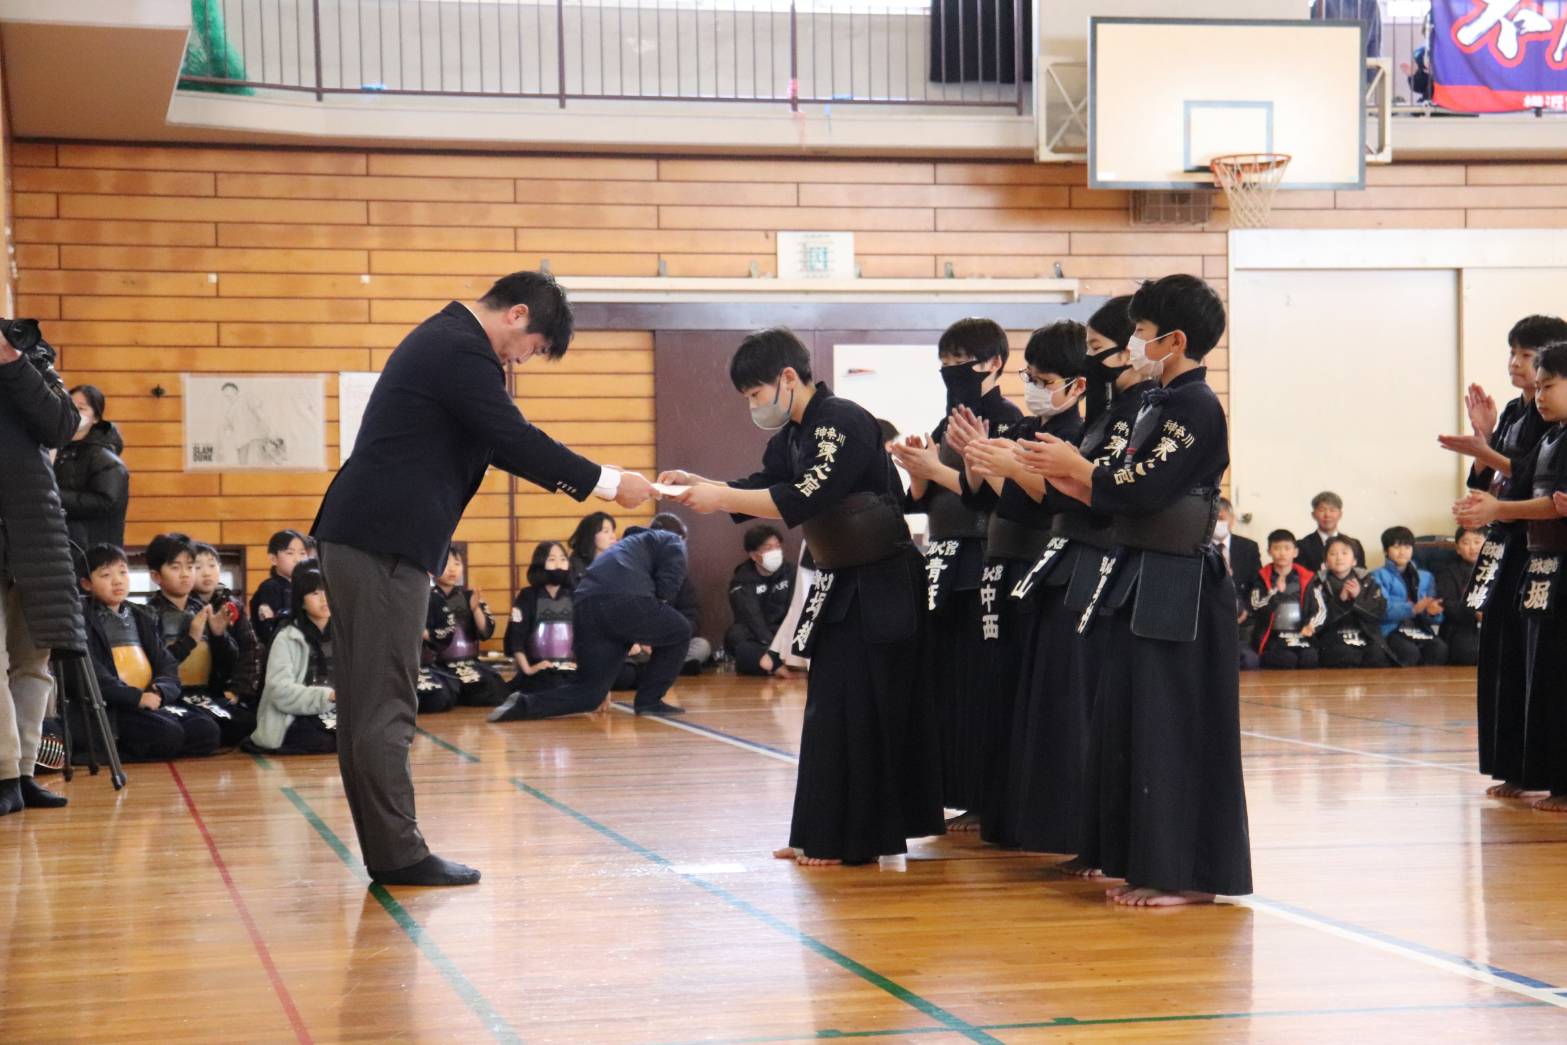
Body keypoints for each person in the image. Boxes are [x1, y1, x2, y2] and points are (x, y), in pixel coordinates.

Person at [311, 270, 652, 887]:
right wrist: (608, 483)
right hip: (382, 541)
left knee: (368, 704)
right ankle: (398, 854)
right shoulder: (460, 348)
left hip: (366, 535)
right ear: (517, 315)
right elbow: (513, 436)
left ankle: (388, 850)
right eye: (534, 348)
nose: (524, 360)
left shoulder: (446, 342)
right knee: (384, 703)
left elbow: (498, 445)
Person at [662, 327, 946, 867]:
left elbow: (804, 495)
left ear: (788, 377)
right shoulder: (792, 436)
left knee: (866, 707)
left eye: (756, 393)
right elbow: (762, 483)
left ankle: (855, 839)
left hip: (882, 581)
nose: (753, 405)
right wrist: (701, 484)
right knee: (827, 709)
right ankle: (819, 830)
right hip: (842, 581)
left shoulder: (843, 421)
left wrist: (719, 495)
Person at [1016, 274, 1252, 907]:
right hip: (1137, 572)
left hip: (1180, 583)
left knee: (1171, 728)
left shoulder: (1196, 406)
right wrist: (1060, 474)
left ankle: (1188, 875)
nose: (1133, 345)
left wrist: (1078, 469)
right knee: (1131, 724)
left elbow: (1144, 488)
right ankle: (1140, 860)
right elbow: (1112, 490)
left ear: (1175, 341)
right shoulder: (1155, 402)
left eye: (1142, 333)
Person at [1001, 295, 1150, 861]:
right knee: (1058, 698)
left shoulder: (1143, 413)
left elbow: (1104, 497)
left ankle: (1088, 837)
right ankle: (1065, 831)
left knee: (1080, 699)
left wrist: (1035, 468)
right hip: (1067, 559)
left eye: (1096, 348)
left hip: (1104, 561)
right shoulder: (1107, 415)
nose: (1090, 360)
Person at [949, 319, 1087, 844]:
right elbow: (985, 498)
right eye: (1028, 376)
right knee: (1003, 690)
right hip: (1007, 568)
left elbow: (1053, 502)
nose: (1032, 388)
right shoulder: (1025, 429)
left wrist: (1002, 464)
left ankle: (1045, 816)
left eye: (1043, 380)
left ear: (1076, 385)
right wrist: (978, 457)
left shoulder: (1077, 435)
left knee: (1044, 697)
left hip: (1047, 569)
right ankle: (1001, 808)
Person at [887, 316, 1022, 829]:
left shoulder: (1007, 420)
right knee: (947, 682)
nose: (951, 371)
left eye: (961, 362)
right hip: (944, 562)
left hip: (984, 559)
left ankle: (988, 796)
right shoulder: (947, 423)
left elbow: (992, 496)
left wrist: (936, 470)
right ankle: (957, 790)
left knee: (982, 680)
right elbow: (928, 501)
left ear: (993, 364)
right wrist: (917, 471)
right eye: (944, 363)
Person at [1439, 315, 1566, 799]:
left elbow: (1528, 481)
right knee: (1503, 656)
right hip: (1510, 540)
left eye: (1527, 356)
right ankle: (1512, 765)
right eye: (1512, 353)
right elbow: (1493, 479)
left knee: (1535, 660)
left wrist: (1486, 449)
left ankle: (1543, 772)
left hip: (1533, 545)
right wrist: (1485, 439)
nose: (1516, 364)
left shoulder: (1550, 422)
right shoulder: (1518, 411)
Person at [0, 325, 85, 813]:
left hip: (36, 535)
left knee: (34, 661)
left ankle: (25, 772)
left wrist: (14, 362)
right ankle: (4, 773)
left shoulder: (30, 356)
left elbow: (61, 424)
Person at [490, 516, 690, 721]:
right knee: (681, 631)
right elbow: (666, 590)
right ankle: (650, 701)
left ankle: (524, 705)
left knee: (590, 693)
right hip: (625, 599)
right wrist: (646, 627)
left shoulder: (626, 545)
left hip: (585, 605)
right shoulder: (673, 541)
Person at [80, 544, 219, 761]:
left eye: (123, 572)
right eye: (106, 575)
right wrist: (135, 698)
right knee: (168, 733)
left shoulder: (140, 615)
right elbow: (90, 674)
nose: (117, 581)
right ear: (87, 584)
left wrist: (160, 690)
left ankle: (162, 744)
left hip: (149, 699)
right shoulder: (81, 620)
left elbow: (167, 664)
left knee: (207, 730)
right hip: (113, 707)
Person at [143, 532, 255, 746]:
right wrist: (191, 639)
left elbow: (228, 664)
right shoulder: (148, 614)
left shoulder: (202, 608)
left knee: (247, 722)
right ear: (156, 576)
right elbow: (155, 667)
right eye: (175, 567)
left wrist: (219, 635)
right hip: (172, 696)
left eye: (190, 567)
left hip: (203, 694)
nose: (185, 574)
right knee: (205, 730)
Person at [247, 564, 337, 756]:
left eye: (327, 591)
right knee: (323, 738)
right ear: (301, 602)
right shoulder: (287, 637)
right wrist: (328, 696)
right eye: (315, 593)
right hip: (294, 715)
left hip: (337, 711)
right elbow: (280, 691)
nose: (324, 598)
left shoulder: (344, 636)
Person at [425, 548, 507, 707]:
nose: (452, 569)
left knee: (496, 689)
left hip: (468, 662)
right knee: (443, 694)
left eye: (457, 564)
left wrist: (475, 609)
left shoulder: (469, 596)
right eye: (446, 564)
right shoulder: (428, 599)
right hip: (439, 664)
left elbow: (485, 632)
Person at [53, 383, 129, 552]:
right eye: (70, 406)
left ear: (96, 418)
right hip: (59, 542)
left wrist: (54, 496)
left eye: (81, 408)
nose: (74, 412)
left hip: (92, 548)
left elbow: (106, 502)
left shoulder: (104, 458)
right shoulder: (53, 448)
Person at [191, 542, 264, 707]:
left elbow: (250, 648)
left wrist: (238, 690)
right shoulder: (184, 606)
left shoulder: (232, 605)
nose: (206, 572)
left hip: (228, 688)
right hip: (193, 689)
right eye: (198, 567)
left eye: (212, 565)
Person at [504, 541, 579, 692]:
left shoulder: (575, 595)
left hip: (570, 667)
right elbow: (516, 636)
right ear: (540, 563)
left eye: (563, 559)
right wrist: (528, 669)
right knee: (552, 686)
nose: (558, 564)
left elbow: (587, 635)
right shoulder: (527, 596)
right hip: (539, 669)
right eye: (552, 559)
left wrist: (580, 663)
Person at [725, 524, 797, 677]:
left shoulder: (790, 572)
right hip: (757, 636)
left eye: (777, 546)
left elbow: (794, 609)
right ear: (754, 555)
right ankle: (773, 663)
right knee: (736, 637)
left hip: (783, 631)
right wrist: (772, 648)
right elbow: (752, 618)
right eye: (768, 548)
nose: (775, 552)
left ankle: (772, 664)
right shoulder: (742, 581)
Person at [1371, 526, 1449, 667]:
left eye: (1407, 547)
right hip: (1391, 629)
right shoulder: (1378, 575)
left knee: (1439, 649)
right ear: (1385, 551)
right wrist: (1413, 609)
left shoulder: (1426, 577)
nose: (1402, 552)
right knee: (1409, 652)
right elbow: (1381, 610)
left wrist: (1433, 613)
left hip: (1419, 627)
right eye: (1396, 547)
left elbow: (1434, 612)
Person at [1315, 536, 1392, 669]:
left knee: (1377, 655)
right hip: (1333, 634)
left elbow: (1379, 612)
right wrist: (1340, 601)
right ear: (1326, 562)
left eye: (1344, 553)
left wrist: (1359, 596)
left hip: (1365, 632)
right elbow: (1316, 618)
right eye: (1333, 553)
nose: (1339, 557)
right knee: (1344, 656)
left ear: (1354, 561)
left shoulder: (1368, 581)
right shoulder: (1317, 583)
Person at [1248, 530, 1321, 670]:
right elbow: (1255, 606)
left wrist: (1311, 625)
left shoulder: (1307, 578)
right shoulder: (1262, 577)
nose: (1282, 553)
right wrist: (1275, 594)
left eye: (1287, 548)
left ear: (1295, 552)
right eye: (1277, 548)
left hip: (1300, 633)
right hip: (1273, 637)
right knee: (1287, 660)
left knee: (1310, 658)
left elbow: (1319, 608)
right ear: (1269, 551)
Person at [1214, 497, 1262, 663]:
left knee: (1248, 659)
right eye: (1214, 518)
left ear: (1232, 519)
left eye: (1221, 518)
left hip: (1243, 617)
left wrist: (1246, 609)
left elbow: (1257, 583)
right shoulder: (1199, 547)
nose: (1218, 523)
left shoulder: (1248, 547)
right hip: (1211, 615)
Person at [251, 528, 309, 646]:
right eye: (290, 553)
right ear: (273, 559)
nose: (297, 559)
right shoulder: (270, 587)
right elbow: (268, 629)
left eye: (302, 553)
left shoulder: (306, 586)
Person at [1436, 527, 1485, 667]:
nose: (1472, 547)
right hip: (1460, 626)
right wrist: (1474, 613)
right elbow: (1447, 603)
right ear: (1458, 549)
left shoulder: (1497, 570)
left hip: (1492, 624)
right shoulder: (1447, 572)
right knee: (1469, 653)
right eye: (1466, 543)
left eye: (1477, 542)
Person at [1295, 491, 1366, 575]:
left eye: (1332, 510)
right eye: (1322, 510)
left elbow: (1362, 575)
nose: (1327, 515)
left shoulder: (1354, 544)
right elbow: (1301, 577)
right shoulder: (1302, 546)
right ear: (1313, 515)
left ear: (1340, 514)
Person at [568, 511, 618, 583]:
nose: (613, 536)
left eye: (613, 531)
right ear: (590, 535)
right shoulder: (573, 567)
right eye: (606, 531)